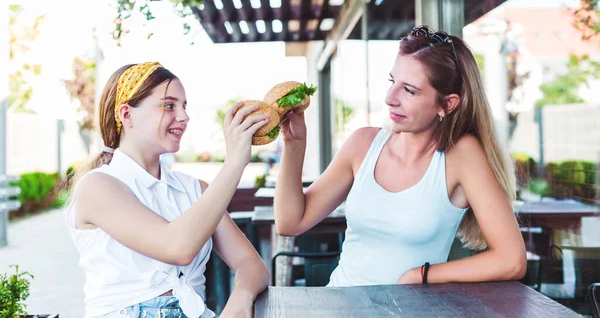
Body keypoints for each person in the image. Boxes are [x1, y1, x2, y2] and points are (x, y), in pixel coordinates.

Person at [274, 26, 527, 286]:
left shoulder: (461, 155)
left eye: (410, 90)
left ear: (447, 104)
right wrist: (294, 145)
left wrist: (422, 275)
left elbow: (512, 260)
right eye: (392, 82)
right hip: (340, 304)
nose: (389, 98)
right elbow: (290, 223)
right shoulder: (362, 144)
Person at [66, 62, 270, 318]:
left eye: (184, 106)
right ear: (127, 115)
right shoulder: (97, 187)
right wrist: (234, 164)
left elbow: (252, 264)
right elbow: (178, 248)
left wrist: (240, 300)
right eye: (169, 105)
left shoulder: (195, 190)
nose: (184, 117)